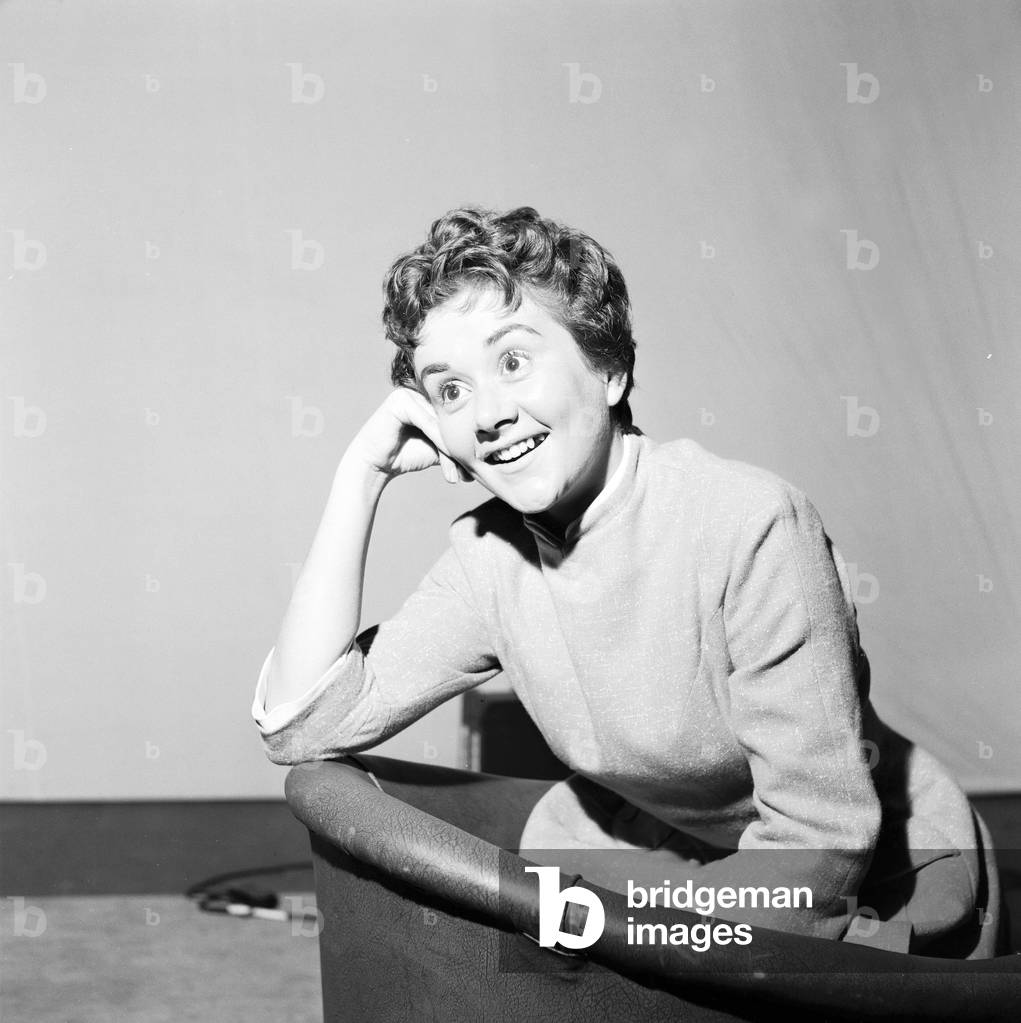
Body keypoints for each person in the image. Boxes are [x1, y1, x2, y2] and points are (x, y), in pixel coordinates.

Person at [251, 206, 1005, 958]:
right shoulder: (488, 557)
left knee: (561, 949)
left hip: (861, 876)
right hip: (668, 847)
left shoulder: (750, 522)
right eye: (449, 390)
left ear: (606, 368)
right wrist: (361, 475)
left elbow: (820, 843)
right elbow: (303, 724)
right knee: (532, 904)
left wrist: (623, 934)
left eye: (513, 362)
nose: (487, 414)